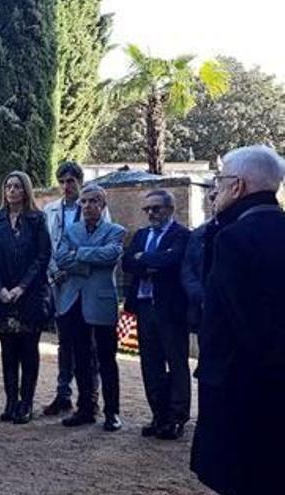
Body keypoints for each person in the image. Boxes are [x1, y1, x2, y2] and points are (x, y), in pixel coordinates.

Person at [191, 145, 285, 495]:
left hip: (240, 383)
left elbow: (245, 321)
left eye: (221, 180)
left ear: (239, 186)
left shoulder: (233, 239)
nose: (215, 190)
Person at [0, 171, 53, 424]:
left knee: (28, 351)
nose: (12, 190)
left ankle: (26, 402)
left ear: (26, 191)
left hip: (29, 294)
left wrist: (21, 287)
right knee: (8, 352)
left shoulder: (37, 219)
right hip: (1, 295)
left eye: (17, 186)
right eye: (8, 186)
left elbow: (42, 256)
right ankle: (11, 401)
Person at [54, 184, 125, 432]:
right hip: (73, 302)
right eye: (83, 202)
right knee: (81, 358)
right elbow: (60, 258)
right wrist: (88, 260)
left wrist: (79, 255)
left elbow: (110, 256)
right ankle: (85, 408)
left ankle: (112, 412)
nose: (87, 206)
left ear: (103, 205)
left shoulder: (116, 230)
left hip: (101, 302)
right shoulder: (70, 230)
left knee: (106, 360)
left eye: (93, 201)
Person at [122, 190, 191, 440]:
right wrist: (150, 262)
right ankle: (158, 415)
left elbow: (171, 262)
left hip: (170, 308)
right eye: (147, 209)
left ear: (170, 209)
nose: (150, 213)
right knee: (150, 364)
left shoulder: (182, 235)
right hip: (143, 305)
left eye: (156, 208)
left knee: (176, 361)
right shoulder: (141, 235)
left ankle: (176, 418)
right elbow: (128, 263)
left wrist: (147, 260)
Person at [42, 161, 104, 416]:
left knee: (88, 344)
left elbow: (99, 242)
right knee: (64, 341)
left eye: (71, 181)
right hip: (59, 282)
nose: (67, 186)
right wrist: (53, 272)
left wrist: (73, 265)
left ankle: (90, 397)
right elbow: (46, 245)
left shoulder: (94, 206)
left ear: (80, 182)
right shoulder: (51, 210)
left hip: (84, 282)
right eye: (63, 181)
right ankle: (63, 393)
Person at [180, 186, 217, 333]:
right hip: (202, 307)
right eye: (212, 199)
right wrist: (200, 296)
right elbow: (188, 269)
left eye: (217, 197)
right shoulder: (199, 233)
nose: (214, 203)